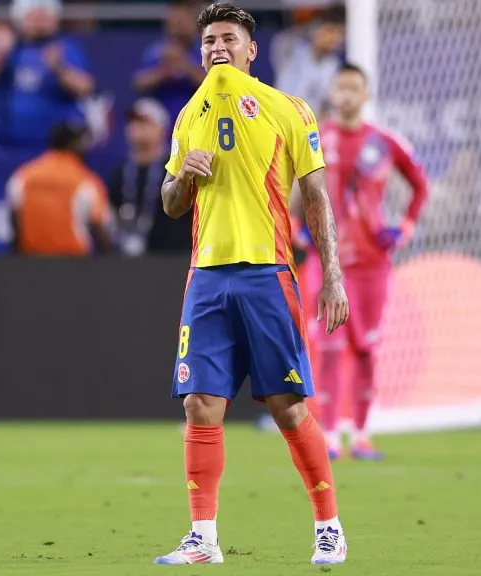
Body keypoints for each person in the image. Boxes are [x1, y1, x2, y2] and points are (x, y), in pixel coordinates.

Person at [153, 3, 349, 566]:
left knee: (289, 409)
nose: (218, 47)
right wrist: (182, 175)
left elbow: (315, 196)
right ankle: (203, 539)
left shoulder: (290, 110)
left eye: (229, 39)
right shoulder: (188, 117)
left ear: (251, 49)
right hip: (207, 279)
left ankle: (328, 526)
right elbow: (170, 205)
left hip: (268, 274)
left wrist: (331, 274)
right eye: (209, 39)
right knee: (199, 405)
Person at [295, 63, 428, 461]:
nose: (347, 95)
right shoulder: (313, 136)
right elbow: (290, 191)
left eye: (355, 87)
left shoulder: (385, 142)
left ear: (366, 94)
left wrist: (403, 229)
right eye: (341, 88)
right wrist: (296, 229)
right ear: (333, 93)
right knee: (332, 347)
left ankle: (364, 434)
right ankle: (332, 437)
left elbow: (420, 185)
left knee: (367, 348)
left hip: (371, 263)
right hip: (329, 262)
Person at [0, 0, 94, 150]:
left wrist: (60, 70)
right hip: (10, 143)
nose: (39, 22)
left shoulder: (65, 47)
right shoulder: (9, 46)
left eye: (45, 16)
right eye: (34, 16)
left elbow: (86, 87)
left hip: (57, 147)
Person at [8, 122, 111, 255]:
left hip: (31, 262)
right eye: (81, 142)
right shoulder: (86, 181)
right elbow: (99, 228)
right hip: (73, 264)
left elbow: (15, 222)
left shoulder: (23, 176)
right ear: (73, 145)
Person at [107, 98, 191, 256]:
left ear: (162, 129)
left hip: (173, 258)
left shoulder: (175, 167)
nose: (137, 127)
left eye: (145, 122)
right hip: (131, 261)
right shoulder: (120, 172)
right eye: (133, 122)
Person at [133, 0, 208, 133]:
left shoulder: (205, 49)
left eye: (182, 22)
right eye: (174, 23)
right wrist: (164, 70)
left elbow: (210, 83)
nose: (178, 28)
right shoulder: (158, 51)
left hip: (197, 111)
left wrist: (185, 64)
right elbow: (139, 82)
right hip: (162, 114)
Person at [274, 6, 346, 119]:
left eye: (339, 34)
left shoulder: (332, 64)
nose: (334, 38)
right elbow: (282, 40)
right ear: (316, 31)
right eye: (330, 31)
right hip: (285, 115)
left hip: (313, 123)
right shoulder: (292, 51)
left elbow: (328, 100)